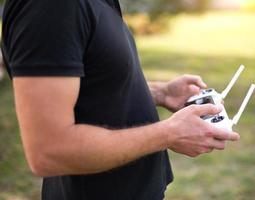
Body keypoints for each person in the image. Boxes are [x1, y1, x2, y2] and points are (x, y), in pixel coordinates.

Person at [1, 0, 240, 199]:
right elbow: (49, 151)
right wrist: (168, 133)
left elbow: (90, 83)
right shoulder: (52, 7)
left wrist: (161, 93)